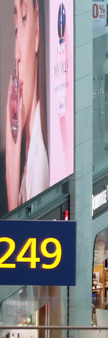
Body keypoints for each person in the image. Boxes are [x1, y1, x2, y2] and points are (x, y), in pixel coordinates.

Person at [6, 0, 50, 212]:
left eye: (23, 19)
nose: (17, 55)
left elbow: (20, 234)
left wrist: (12, 156)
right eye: (15, 29)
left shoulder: (40, 161)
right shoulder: (32, 154)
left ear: (37, 30)